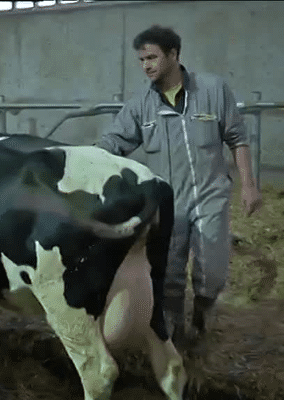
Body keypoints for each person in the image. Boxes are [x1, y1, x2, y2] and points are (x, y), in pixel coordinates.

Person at [95, 25, 262, 349]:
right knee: (168, 271)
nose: (146, 65)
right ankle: (173, 333)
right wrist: (82, 161)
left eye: (153, 57)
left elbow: (237, 139)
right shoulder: (141, 104)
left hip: (211, 193)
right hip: (169, 201)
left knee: (211, 272)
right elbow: (113, 142)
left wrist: (250, 186)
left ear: (173, 55)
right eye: (142, 59)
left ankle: (202, 315)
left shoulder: (213, 90)